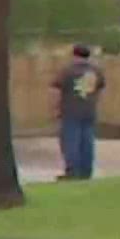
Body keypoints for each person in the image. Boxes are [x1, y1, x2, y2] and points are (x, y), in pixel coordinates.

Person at [51, 43, 106, 180]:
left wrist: (55, 108)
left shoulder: (67, 70)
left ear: (75, 55)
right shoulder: (96, 71)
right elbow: (100, 89)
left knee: (71, 141)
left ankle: (73, 171)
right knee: (87, 141)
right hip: (89, 110)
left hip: (71, 110)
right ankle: (86, 171)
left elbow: (56, 90)